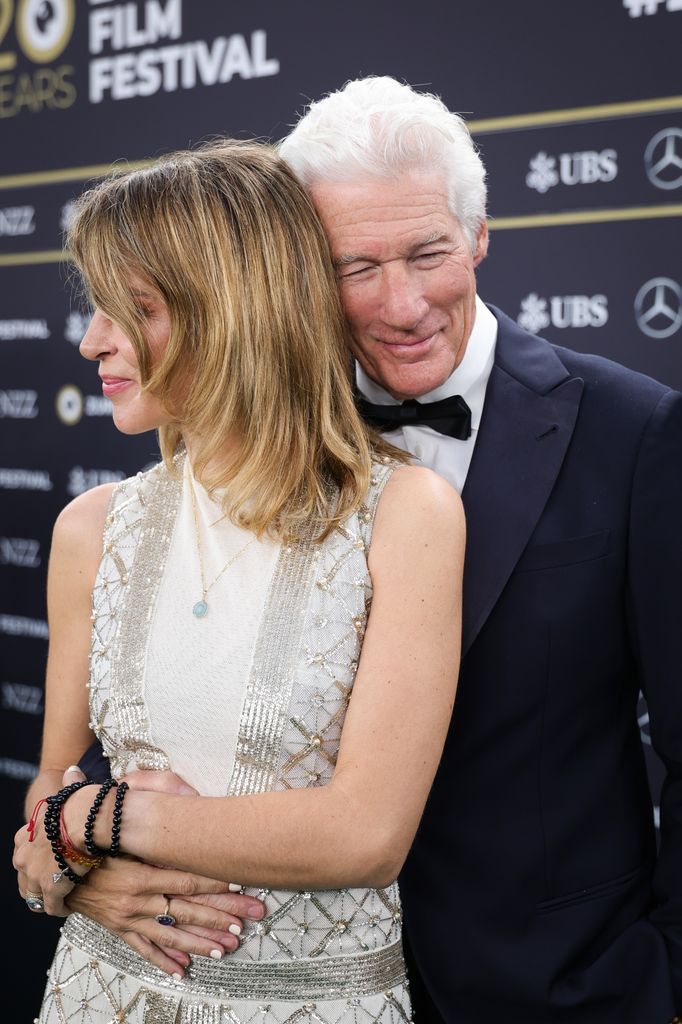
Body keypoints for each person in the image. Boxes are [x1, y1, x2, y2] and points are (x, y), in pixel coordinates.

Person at [38, 77, 682, 1022]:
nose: (403, 302)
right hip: (215, 962)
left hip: (545, 987)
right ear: (294, 275)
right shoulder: (227, 445)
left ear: (480, 236)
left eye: (429, 252)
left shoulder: (636, 431)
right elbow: (99, 767)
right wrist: (77, 869)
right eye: (355, 266)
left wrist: (665, 985)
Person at [12, 138, 465, 1023]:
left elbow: (366, 836)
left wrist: (92, 823)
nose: (90, 339)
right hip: (97, 992)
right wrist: (67, 870)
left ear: (231, 311)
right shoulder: (91, 529)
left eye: (128, 308)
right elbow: (45, 794)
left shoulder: (406, 514)